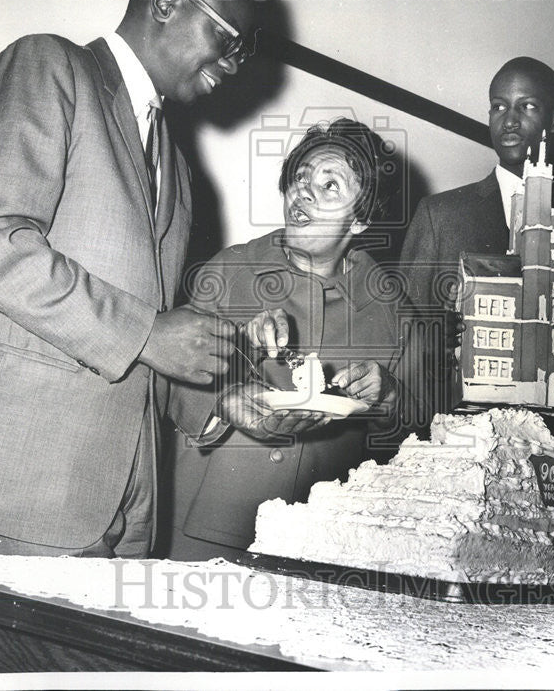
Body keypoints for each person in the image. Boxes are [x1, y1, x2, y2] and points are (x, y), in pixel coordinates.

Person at [0, 0, 310, 558]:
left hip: (128, 495)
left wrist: (224, 403)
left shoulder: (172, 154)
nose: (233, 64)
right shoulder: (48, 65)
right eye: (228, 39)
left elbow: (148, 331)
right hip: (13, 488)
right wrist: (148, 333)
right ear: (168, 2)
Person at [163, 119, 405, 560]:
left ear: (361, 219)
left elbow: (418, 426)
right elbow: (167, 381)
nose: (304, 192)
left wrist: (389, 393)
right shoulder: (230, 269)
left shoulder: (388, 303)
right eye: (300, 178)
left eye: (330, 185)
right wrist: (228, 385)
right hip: (211, 525)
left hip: (325, 540)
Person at [398, 56, 554, 411]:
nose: (509, 120)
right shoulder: (440, 215)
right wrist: (436, 334)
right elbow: (397, 332)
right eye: (498, 106)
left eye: (528, 106)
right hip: (458, 427)